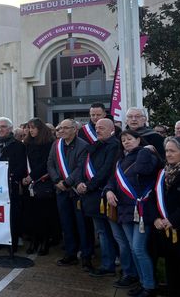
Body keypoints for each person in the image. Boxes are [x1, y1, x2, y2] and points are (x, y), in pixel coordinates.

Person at [104, 130, 160, 297]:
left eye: (130, 139)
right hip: (124, 210)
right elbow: (113, 180)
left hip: (141, 210)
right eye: (123, 140)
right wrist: (108, 191)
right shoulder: (121, 159)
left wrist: (144, 150)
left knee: (139, 248)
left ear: (138, 140)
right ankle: (142, 283)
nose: (126, 142)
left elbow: (144, 170)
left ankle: (150, 286)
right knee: (133, 248)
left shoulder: (147, 155)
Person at [76, 118, 121, 277]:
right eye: (96, 127)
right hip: (91, 196)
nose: (98, 130)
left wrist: (89, 185)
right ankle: (107, 264)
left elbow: (106, 170)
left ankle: (112, 265)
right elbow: (82, 167)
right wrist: (80, 182)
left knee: (113, 234)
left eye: (102, 127)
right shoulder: (93, 146)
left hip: (103, 195)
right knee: (102, 232)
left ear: (112, 130)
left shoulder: (114, 146)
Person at [47, 119, 93, 270]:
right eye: (61, 128)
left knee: (82, 225)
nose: (62, 131)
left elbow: (81, 167)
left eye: (66, 128)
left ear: (74, 129)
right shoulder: (56, 144)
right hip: (61, 191)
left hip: (76, 192)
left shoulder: (84, 146)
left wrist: (67, 182)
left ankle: (86, 257)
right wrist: (57, 180)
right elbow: (51, 164)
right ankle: (70, 254)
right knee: (66, 224)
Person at [150, 137, 180, 297]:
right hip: (166, 232)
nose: (168, 154)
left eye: (172, 151)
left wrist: (173, 219)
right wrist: (155, 218)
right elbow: (153, 197)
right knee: (172, 272)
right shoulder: (163, 172)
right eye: (167, 150)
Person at [0, 117, 27, 252]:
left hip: (11, 185)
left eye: (3, 126)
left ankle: (13, 241)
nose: (0, 129)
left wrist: (10, 176)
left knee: (13, 215)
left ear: (10, 129)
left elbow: (22, 166)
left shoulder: (18, 145)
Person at [22, 117, 55, 255]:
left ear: (40, 129)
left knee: (44, 215)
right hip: (30, 183)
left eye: (33, 128)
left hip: (43, 181)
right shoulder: (28, 143)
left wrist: (32, 176)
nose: (31, 130)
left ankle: (44, 242)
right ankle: (34, 241)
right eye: (29, 128)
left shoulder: (49, 143)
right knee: (32, 215)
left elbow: (46, 163)